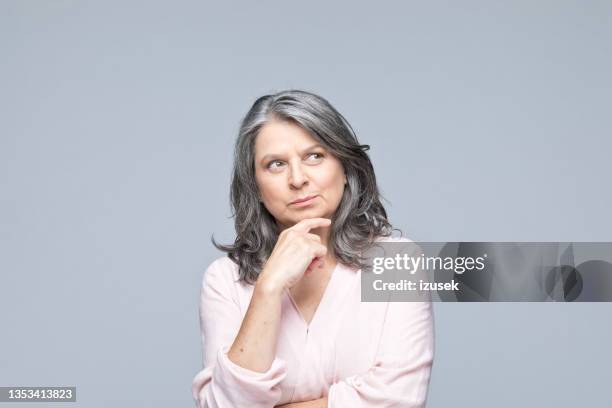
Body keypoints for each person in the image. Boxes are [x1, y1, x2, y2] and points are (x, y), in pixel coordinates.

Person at [191, 90, 435, 407]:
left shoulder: (399, 262)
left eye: (314, 156)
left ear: (346, 168)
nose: (297, 178)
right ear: (256, 188)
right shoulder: (224, 280)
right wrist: (268, 288)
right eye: (276, 164)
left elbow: (397, 401)